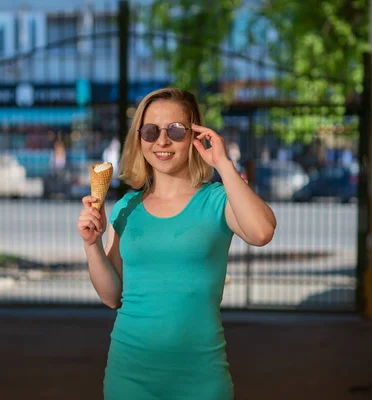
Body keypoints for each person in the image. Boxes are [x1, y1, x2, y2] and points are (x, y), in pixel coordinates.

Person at [77, 88, 277, 399]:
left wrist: (223, 163)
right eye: (150, 131)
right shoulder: (126, 207)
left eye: (175, 130)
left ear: (196, 135)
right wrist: (92, 244)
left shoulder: (217, 200)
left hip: (201, 379)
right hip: (129, 377)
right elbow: (111, 296)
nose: (162, 141)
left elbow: (262, 232)